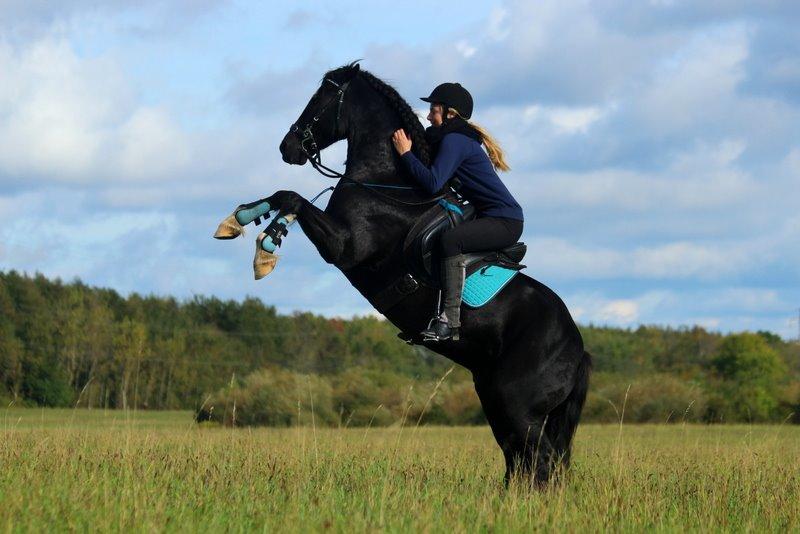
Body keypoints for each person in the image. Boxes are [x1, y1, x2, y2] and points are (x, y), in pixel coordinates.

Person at [391, 82, 524, 342]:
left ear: (450, 114)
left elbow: (432, 182)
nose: (429, 116)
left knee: (451, 239)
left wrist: (406, 154)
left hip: (505, 220)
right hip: (487, 214)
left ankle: (450, 319)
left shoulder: (455, 140)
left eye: (434, 110)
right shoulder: (452, 138)